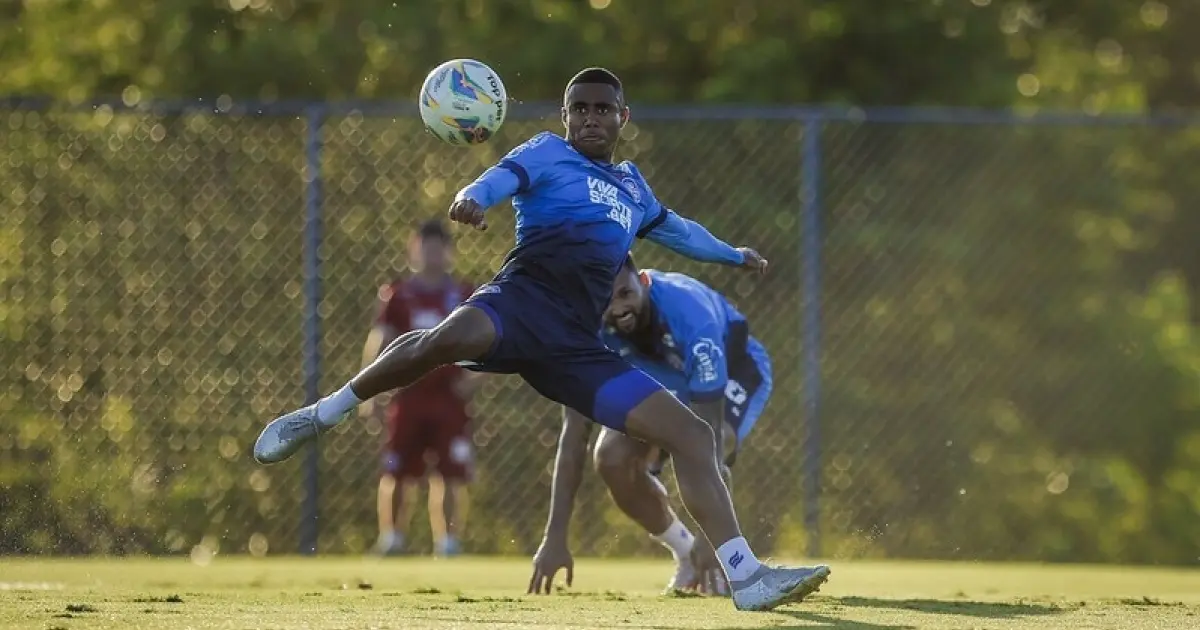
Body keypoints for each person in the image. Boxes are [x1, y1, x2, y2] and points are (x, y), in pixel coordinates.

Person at [253, 67, 830, 611]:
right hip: (520, 306)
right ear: (564, 116)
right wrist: (472, 199)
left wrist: (733, 255)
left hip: (576, 345)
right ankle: (323, 414)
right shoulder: (547, 152)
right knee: (444, 339)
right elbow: (499, 177)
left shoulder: (633, 187)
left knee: (692, 433)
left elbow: (679, 231)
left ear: (623, 117)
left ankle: (746, 576)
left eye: (603, 109)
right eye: (579, 109)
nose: (590, 118)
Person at [529, 255, 773, 596]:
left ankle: (728, 557)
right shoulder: (588, 332)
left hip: (732, 366)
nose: (617, 308)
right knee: (611, 457)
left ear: (643, 281)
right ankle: (685, 552)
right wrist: (554, 537)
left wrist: (712, 538)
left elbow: (709, 442)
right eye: (606, 299)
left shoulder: (690, 317)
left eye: (625, 294)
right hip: (656, 371)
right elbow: (574, 436)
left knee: (715, 443)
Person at [361, 219, 480, 557]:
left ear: (449, 251)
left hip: (448, 399)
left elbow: (488, 344)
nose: (432, 254)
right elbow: (380, 341)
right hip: (408, 396)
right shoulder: (398, 295)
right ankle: (392, 539)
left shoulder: (463, 295)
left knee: (451, 474)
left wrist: (474, 381)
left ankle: (448, 543)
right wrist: (369, 390)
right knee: (397, 470)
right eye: (425, 247)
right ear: (414, 249)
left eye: (438, 247)